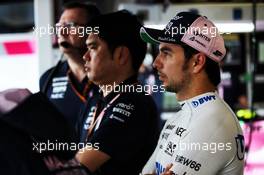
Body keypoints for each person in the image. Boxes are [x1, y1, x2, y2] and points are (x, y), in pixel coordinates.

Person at [140, 12, 245, 175]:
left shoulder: (212, 123)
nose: (155, 63)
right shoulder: (181, 116)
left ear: (197, 62)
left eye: (166, 53)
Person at [75, 10, 160, 175]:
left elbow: (77, 168)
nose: (85, 56)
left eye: (93, 48)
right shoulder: (94, 100)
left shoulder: (135, 104)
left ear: (121, 55)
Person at [39, 2, 100, 127]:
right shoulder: (48, 78)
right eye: (59, 26)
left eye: (71, 26)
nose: (62, 32)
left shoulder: (110, 75)